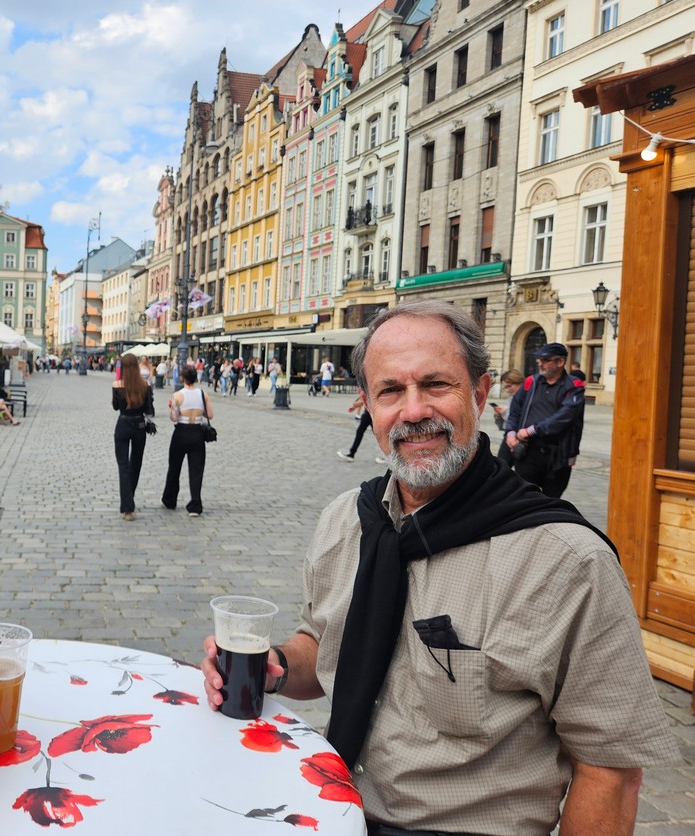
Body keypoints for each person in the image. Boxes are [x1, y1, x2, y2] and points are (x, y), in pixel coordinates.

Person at [200, 301, 678, 834]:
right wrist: (274, 664)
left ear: (479, 393)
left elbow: (610, 772)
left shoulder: (566, 561)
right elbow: (323, 641)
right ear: (367, 407)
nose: (413, 411)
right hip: (330, 808)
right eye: (390, 391)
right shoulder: (346, 521)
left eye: (435, 385)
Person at [504, 343, 585, 498]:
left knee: (551, 499)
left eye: (546, 360)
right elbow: (515, 409)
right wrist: (511, 432)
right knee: (524, 496)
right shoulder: (531, 382)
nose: (540, 364)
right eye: (539, 360)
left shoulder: (574, 386)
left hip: (558, 454)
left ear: (560, 362)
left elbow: (564, 417)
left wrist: (531, 430)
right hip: (528, 451)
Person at [162, 366, 211, 517]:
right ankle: (195, 504)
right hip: (197, 432)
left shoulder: (177, 395)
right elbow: (210, 414)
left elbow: (174, 417)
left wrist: (173, 407)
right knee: (196, 470)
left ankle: (170, 499)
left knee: (174, 467)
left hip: (181, 432)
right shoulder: (203, 394)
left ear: (182, 378)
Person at [111, 353, 155, 521]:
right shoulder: (145, 385)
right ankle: (129, 500)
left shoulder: (117, 384)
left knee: (123, 466)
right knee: (135, 464)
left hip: (123, 424)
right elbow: (149, 410)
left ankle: (127, 507)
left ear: (122, 367)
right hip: (139, 426)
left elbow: (116, 407)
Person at [491, 368, 526, 465]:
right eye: (505, 388)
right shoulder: (512, 398)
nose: (508, 390)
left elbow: (519, 418)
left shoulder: (528, 397)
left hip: (522, 438)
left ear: (519, 382)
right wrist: (499, 415)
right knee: (500, 465)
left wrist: (505, 412)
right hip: (509, 436)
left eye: (509, 386)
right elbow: (505, 425)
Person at [335, 393, 377, 462]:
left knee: (375, 434)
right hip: (369, 411)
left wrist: (359, 403)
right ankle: (351, 453)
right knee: (363, 431)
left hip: (371, 411)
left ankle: (351, 453)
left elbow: (369, 396)